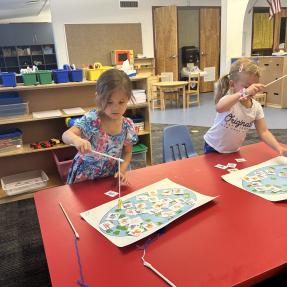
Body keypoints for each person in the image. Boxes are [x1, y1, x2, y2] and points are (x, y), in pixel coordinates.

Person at [62, 69, 138, 184]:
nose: (115, 108)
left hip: (108, 177)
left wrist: (122, 171)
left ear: (128, 98)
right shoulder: (93, 119)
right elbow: (66, 135)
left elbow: (127, 153)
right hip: (84, 178)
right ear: (99, 98)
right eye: (109, 102)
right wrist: (76, 140)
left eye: (121, 102)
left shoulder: (127, 126)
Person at [203, 58, 287, 156]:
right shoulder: (230, 99)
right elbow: (219, 108)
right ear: (232, 84)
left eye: (253, 87)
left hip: (233, 150)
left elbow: (263, 132)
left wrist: (279, 148)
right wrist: (243, 93)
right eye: (246, 87)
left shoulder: (256, 107)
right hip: (213, 147)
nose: (251, 90)